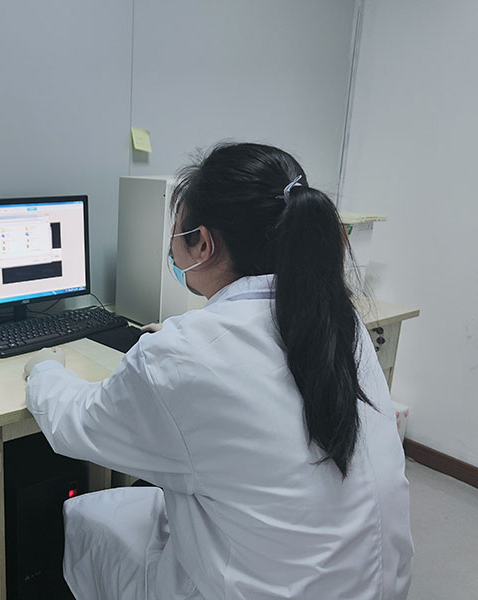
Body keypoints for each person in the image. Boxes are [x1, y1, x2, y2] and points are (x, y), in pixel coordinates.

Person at [24, 142, 413, 599]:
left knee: (90, 517)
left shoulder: (181, 356)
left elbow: (77, 425)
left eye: (175, 234)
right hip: (375, 584)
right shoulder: (338, 321)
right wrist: (183, 340)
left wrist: (44, 370)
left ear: (203, 244)